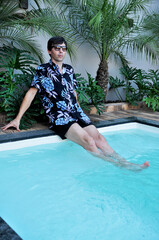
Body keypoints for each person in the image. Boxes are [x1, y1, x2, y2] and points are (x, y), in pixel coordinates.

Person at [2, 36, 149, 170]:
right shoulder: (43, 70)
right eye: (57, 48)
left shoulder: (69, 70)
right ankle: (119, 167)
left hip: (75, 112)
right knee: (89, 141)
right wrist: (18, 119)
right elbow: (31, 93)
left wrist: (78, 108)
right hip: (59, 117)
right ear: (49, 51)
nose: (61, 51)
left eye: (63, 49)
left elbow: (73, 92)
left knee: (99, 138)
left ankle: (125, 162)